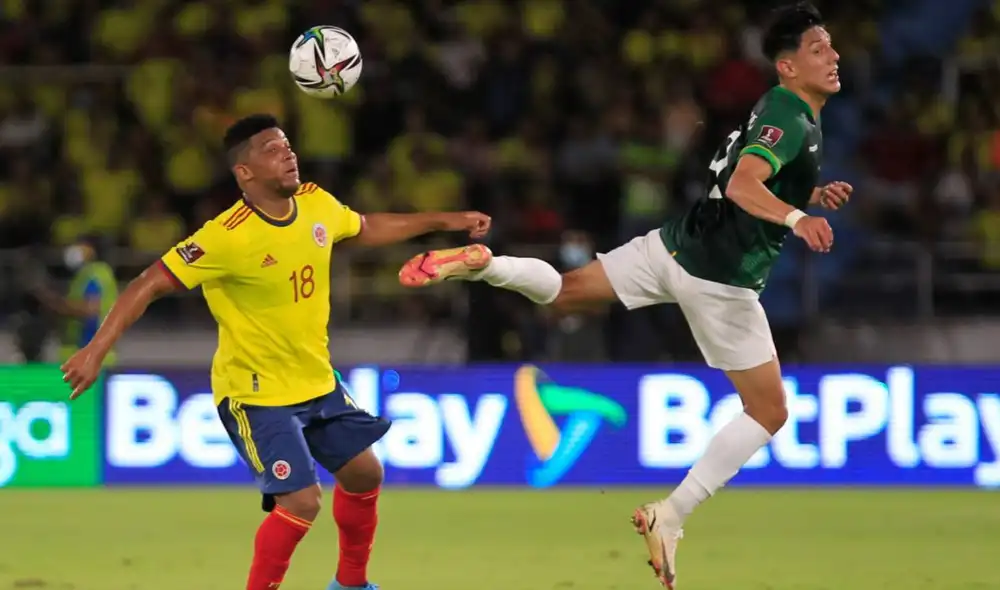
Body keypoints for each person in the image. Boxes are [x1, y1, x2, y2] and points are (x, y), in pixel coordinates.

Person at [397, 4, 849, 588]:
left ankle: (486, 264)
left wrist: (806, 191)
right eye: (818, 49)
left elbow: (748, 169)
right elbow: (743, 184)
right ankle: (672, 514)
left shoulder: (784, 111)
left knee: (563, 293)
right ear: (788, 66)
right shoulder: (791, 114)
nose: (834, 56)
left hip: (675, 244)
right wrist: (796, 218)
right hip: (721, 278)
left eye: (831, 46)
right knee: (769, 410)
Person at [61, 114, 491, 590]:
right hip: (256, 393)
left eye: (287, 145)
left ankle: (350, 585)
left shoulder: (315, 202)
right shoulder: (227, 235)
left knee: (365, 474)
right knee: (301, 501)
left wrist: (445, 221)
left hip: (316, 381)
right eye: (271, 149)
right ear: (244, 173)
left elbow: (365, 226)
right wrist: (95, 351)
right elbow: (146, 284)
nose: (287, 153)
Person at [34, 235, 119, 366]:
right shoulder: (86, 274)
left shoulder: (95, 274)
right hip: (85, 352)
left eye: (80, 246)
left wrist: (56, 305)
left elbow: (90, 309)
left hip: (90, 353)